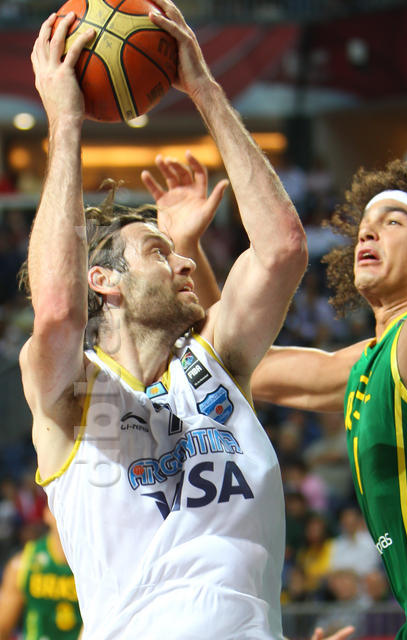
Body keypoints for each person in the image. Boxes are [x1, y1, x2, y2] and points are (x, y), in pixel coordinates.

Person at [20, 1, 309, 638]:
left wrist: (203, 89)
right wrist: (65, 124)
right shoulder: (72, 392)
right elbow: (59, 310)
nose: (184, 263)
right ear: (105, 282)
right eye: (158, 251)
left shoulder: (218, 366)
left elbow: (283, 250)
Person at [252, 1, 407, 637]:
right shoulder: (365, 368)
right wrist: (188, 245)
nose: (367, 234)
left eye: (392, 222)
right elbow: (234, 363)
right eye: (364, 227)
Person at [0, 505, 82, 640]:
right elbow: (2, 627)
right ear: (47, 514)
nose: (68, 515)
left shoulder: (97, 564)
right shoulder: (24, 564)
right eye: (62, 507)